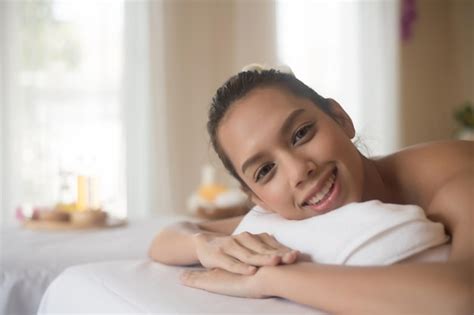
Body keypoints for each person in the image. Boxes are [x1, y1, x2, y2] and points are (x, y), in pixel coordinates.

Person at [149, 67, 473, 314]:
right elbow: (165, 240)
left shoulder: (456, 175)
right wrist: (204, 244)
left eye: (301, 133)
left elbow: (462, 296)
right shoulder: (287, 210)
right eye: (265, 170)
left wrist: (269, 280)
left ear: (340, 118)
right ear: (258, 199)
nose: (298, 171)